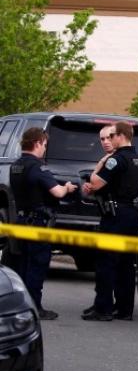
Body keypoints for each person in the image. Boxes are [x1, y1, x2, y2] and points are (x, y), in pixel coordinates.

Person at [9, 127, 78, 320]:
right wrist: (67, 187)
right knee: (37, 267)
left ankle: (20, 307)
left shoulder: (16, 165)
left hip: (20, 222)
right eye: (44, 145)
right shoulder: (38, 167)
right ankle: (35, 308)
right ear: (38, 142)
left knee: (21, 266)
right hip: (37, 224)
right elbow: (57, 192)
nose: (45, 149)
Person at [81, 121, 138, 321]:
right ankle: (125, 310)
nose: (109, 140)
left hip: (114, 215)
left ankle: (103, 309)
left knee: (106, 263)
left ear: (120, 136)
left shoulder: (115, 160)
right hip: (132, 214)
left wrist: (101, 163)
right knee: (126, 264)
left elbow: (96, 182)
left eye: (112, 136)